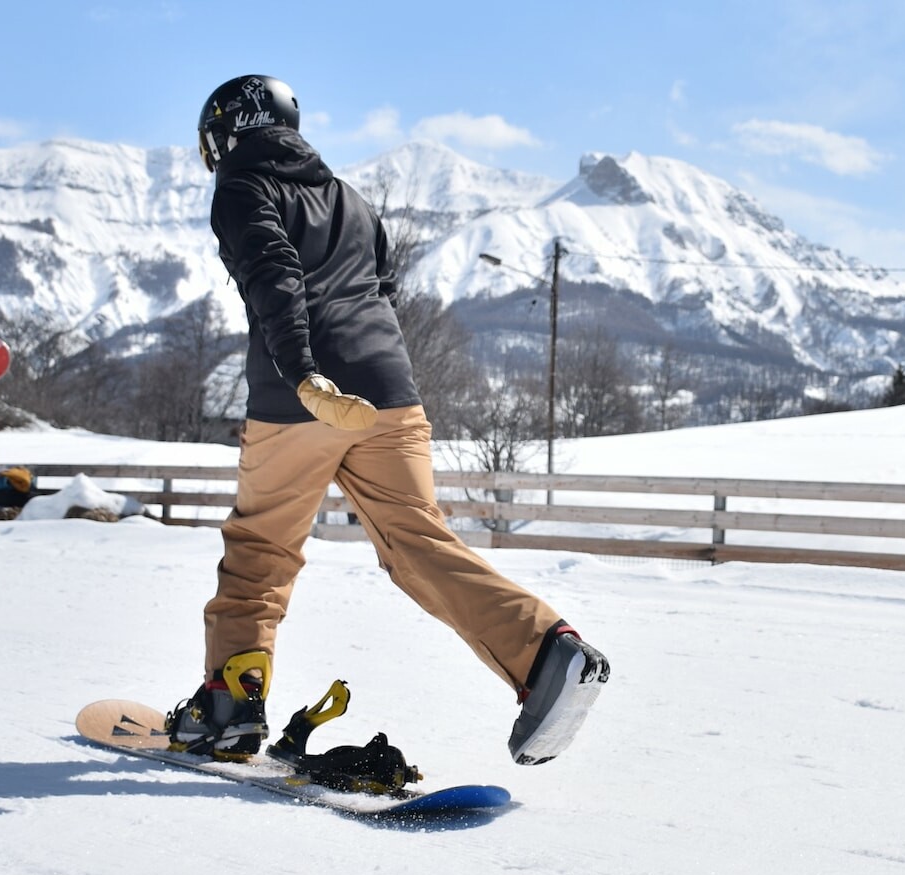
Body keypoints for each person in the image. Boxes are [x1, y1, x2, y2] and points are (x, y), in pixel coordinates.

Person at [165, 74, 610, 766]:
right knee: (419, 544)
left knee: (259, 553)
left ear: (233, 130)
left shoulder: (243, 183)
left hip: (300, 399)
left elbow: (273, 273)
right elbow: (382, 291)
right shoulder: (351, 198)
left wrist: (303, 372)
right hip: (389, 395)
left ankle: (231, 705)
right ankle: (546, 652)